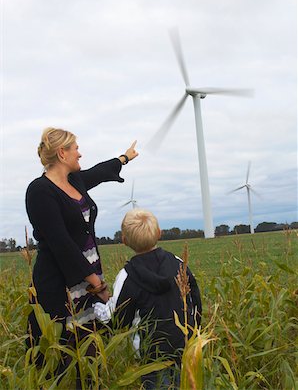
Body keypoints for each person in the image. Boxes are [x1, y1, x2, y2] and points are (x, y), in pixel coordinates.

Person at [25, 127, 138, 383]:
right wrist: (97, 284)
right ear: (62, 153)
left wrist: (124, 158)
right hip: (60, 282)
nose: (80, 153)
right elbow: (61, 243)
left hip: (87, 276)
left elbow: (98, 172)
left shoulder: (75, 181)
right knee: (61, 351)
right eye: (76, 148)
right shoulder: (39, 191)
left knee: (89, 347)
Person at [94, 208, 202, 390]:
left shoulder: (127, 275)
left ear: (124, 240)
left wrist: (97, 306)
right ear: (159, 234)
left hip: (151, 356)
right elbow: (195, 301)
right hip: (185, 347)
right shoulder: (178, 263)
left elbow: (117, 318)